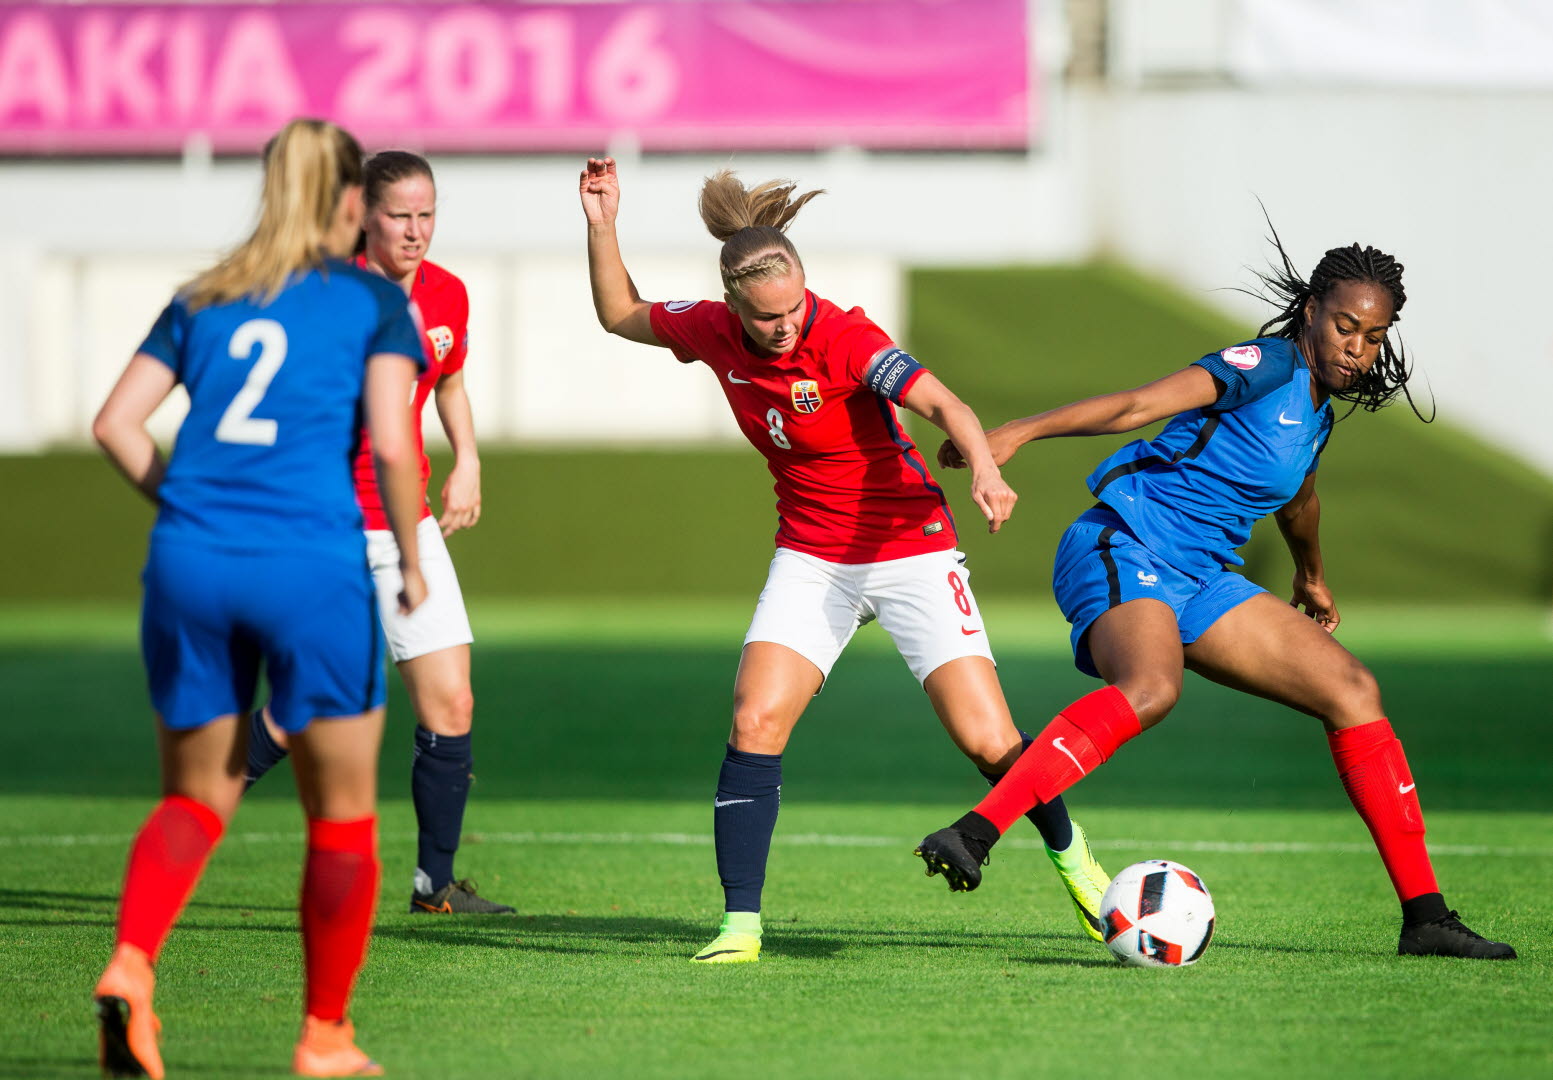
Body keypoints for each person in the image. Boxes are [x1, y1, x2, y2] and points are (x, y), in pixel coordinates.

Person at [914, 235, 1517, 960]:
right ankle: (976, 832)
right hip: (1125, 541)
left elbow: (1298, 499)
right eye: (1343, 326)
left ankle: (1424, 918)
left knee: (1352, 689)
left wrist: (1310, 575)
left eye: (1373, 336)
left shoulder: (1318, 411)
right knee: (1148, 688)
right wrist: (1020, 432)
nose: (1356, 348)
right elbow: (1137, 405)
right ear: (1309, 310)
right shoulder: (1263, 366)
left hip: (1201, 575)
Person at [579, 156, 1113, 963]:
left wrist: (989, 471)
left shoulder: (843, 335)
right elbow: (619, 313)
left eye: (794, 306)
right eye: (766, 317)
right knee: (754, 720)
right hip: (811, 558)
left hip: (910, 550)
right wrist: (602, 222)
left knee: (987, 739)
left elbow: (942, 403)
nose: (785, 325)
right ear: (732, 307)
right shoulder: (710, 330)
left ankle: (1076, 864)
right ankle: (740, 928)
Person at [90, 118, 431, 1079]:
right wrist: (409, 559)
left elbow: (115, 424)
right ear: (353, 202)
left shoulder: (203, 296)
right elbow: (396, 446)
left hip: (189, 559)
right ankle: (324, 1036)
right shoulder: (370, 302)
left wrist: (191, 503)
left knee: (197, 796)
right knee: (342, 815)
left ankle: (129, 965)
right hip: (310, 565)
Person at [242, 151, 513, 916]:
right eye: (400, 215)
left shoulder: (447, 293)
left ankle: (435, 885)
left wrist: (468, 460)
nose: (416, 230)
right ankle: (198, 808)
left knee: (451, 703)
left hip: (407, 525)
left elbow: (449, 378)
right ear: (363, 213)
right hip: (324, 525)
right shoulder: (322, 292)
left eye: (428, 215)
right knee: (306, 706)